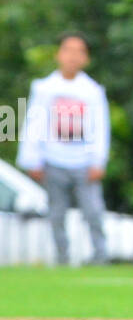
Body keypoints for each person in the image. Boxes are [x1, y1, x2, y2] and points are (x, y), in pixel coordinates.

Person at [18, 33, 110, 266]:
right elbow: (34, 122)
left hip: (84, 162)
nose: (72, 56)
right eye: (68, 50)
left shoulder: (92, 91)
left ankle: (100, 257)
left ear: (86, 58)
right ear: (59, 54)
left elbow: (100, 127)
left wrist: (98, 161)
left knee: (93, 212)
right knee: (56, 214)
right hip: (53, 160)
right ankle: (62, 259)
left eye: (79, 51)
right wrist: (32, 158)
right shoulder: (45, 88)